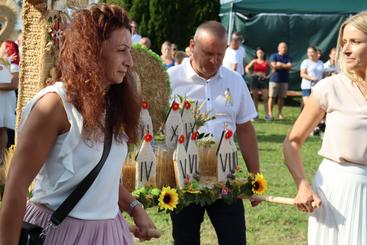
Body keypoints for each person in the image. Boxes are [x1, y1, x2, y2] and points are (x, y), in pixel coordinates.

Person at [0, 4, 156, 244]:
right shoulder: (54, 105)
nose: (129, 61)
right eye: (122, 50)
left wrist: (135, 208)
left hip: (110, 234)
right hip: (60, 233)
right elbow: (16, 187)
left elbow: (101, 175)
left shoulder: (110, 103)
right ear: (92, 51)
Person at [168, 20, 260, 245]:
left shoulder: (234, 81)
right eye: (208, 53)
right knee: (185, 239)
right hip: (184, 178)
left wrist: (255, 177)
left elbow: (245, 129)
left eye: (220, 54)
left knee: (234, 239)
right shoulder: (170, 80)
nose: (214, 61)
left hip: (226, 177)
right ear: (192, 45)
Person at [284, 12, 367, 245]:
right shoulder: (329, 88)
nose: (346, 50)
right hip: (335, 190)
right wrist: (302, 185)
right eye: (344, 43)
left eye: (356, 42)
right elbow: (292, 142)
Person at [0, 40, 19, 163]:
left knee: (2, 128)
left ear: (8, 48)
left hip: (5, 100)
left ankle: (1, 158)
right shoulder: (2, 62)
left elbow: (14, 84)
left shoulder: (14, 64)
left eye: (2, 46)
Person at [267, 42, 292, 121]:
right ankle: (270, 113)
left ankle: (280, 113)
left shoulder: (288, 57)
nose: (284, 49)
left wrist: (280, 64)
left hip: (284, 80)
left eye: (285, 47)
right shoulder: (274, 56)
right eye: (282, 47)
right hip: (274, 80)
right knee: (272, 97)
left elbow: (290, 66)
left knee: (282, 98)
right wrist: (285, 65)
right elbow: (273, 65)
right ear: (278, 48)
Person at [245, 47, 270, 119]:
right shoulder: (254, 61)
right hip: (255, 80)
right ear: (256, 54)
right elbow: (247, 68)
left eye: (261, 53)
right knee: (255, 98)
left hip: (263, 81)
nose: (260, 54)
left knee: (265, 98)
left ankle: (267, 115)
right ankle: (255, 115)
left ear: (263, 53)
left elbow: (273, 69)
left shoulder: (266, 62)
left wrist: (268, 76)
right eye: (258, 53)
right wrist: (252, 74)